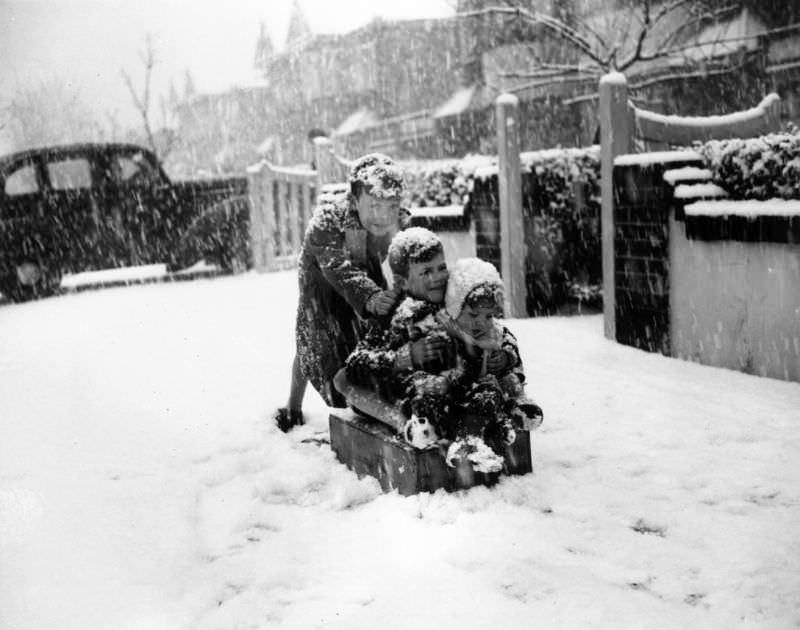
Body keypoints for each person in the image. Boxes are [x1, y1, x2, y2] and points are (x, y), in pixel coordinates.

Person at [274, 153, 409, 432]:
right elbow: (337, 267)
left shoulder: (399, 222)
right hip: (320, 283)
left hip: (364, 275)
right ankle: (293, 406)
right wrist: (370, 297)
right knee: (314, 342)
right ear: (354, 199)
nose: (383, 216)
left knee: (372, 335)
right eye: (374, 205)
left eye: (391, 206)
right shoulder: (328, 220)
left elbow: (409, 259)